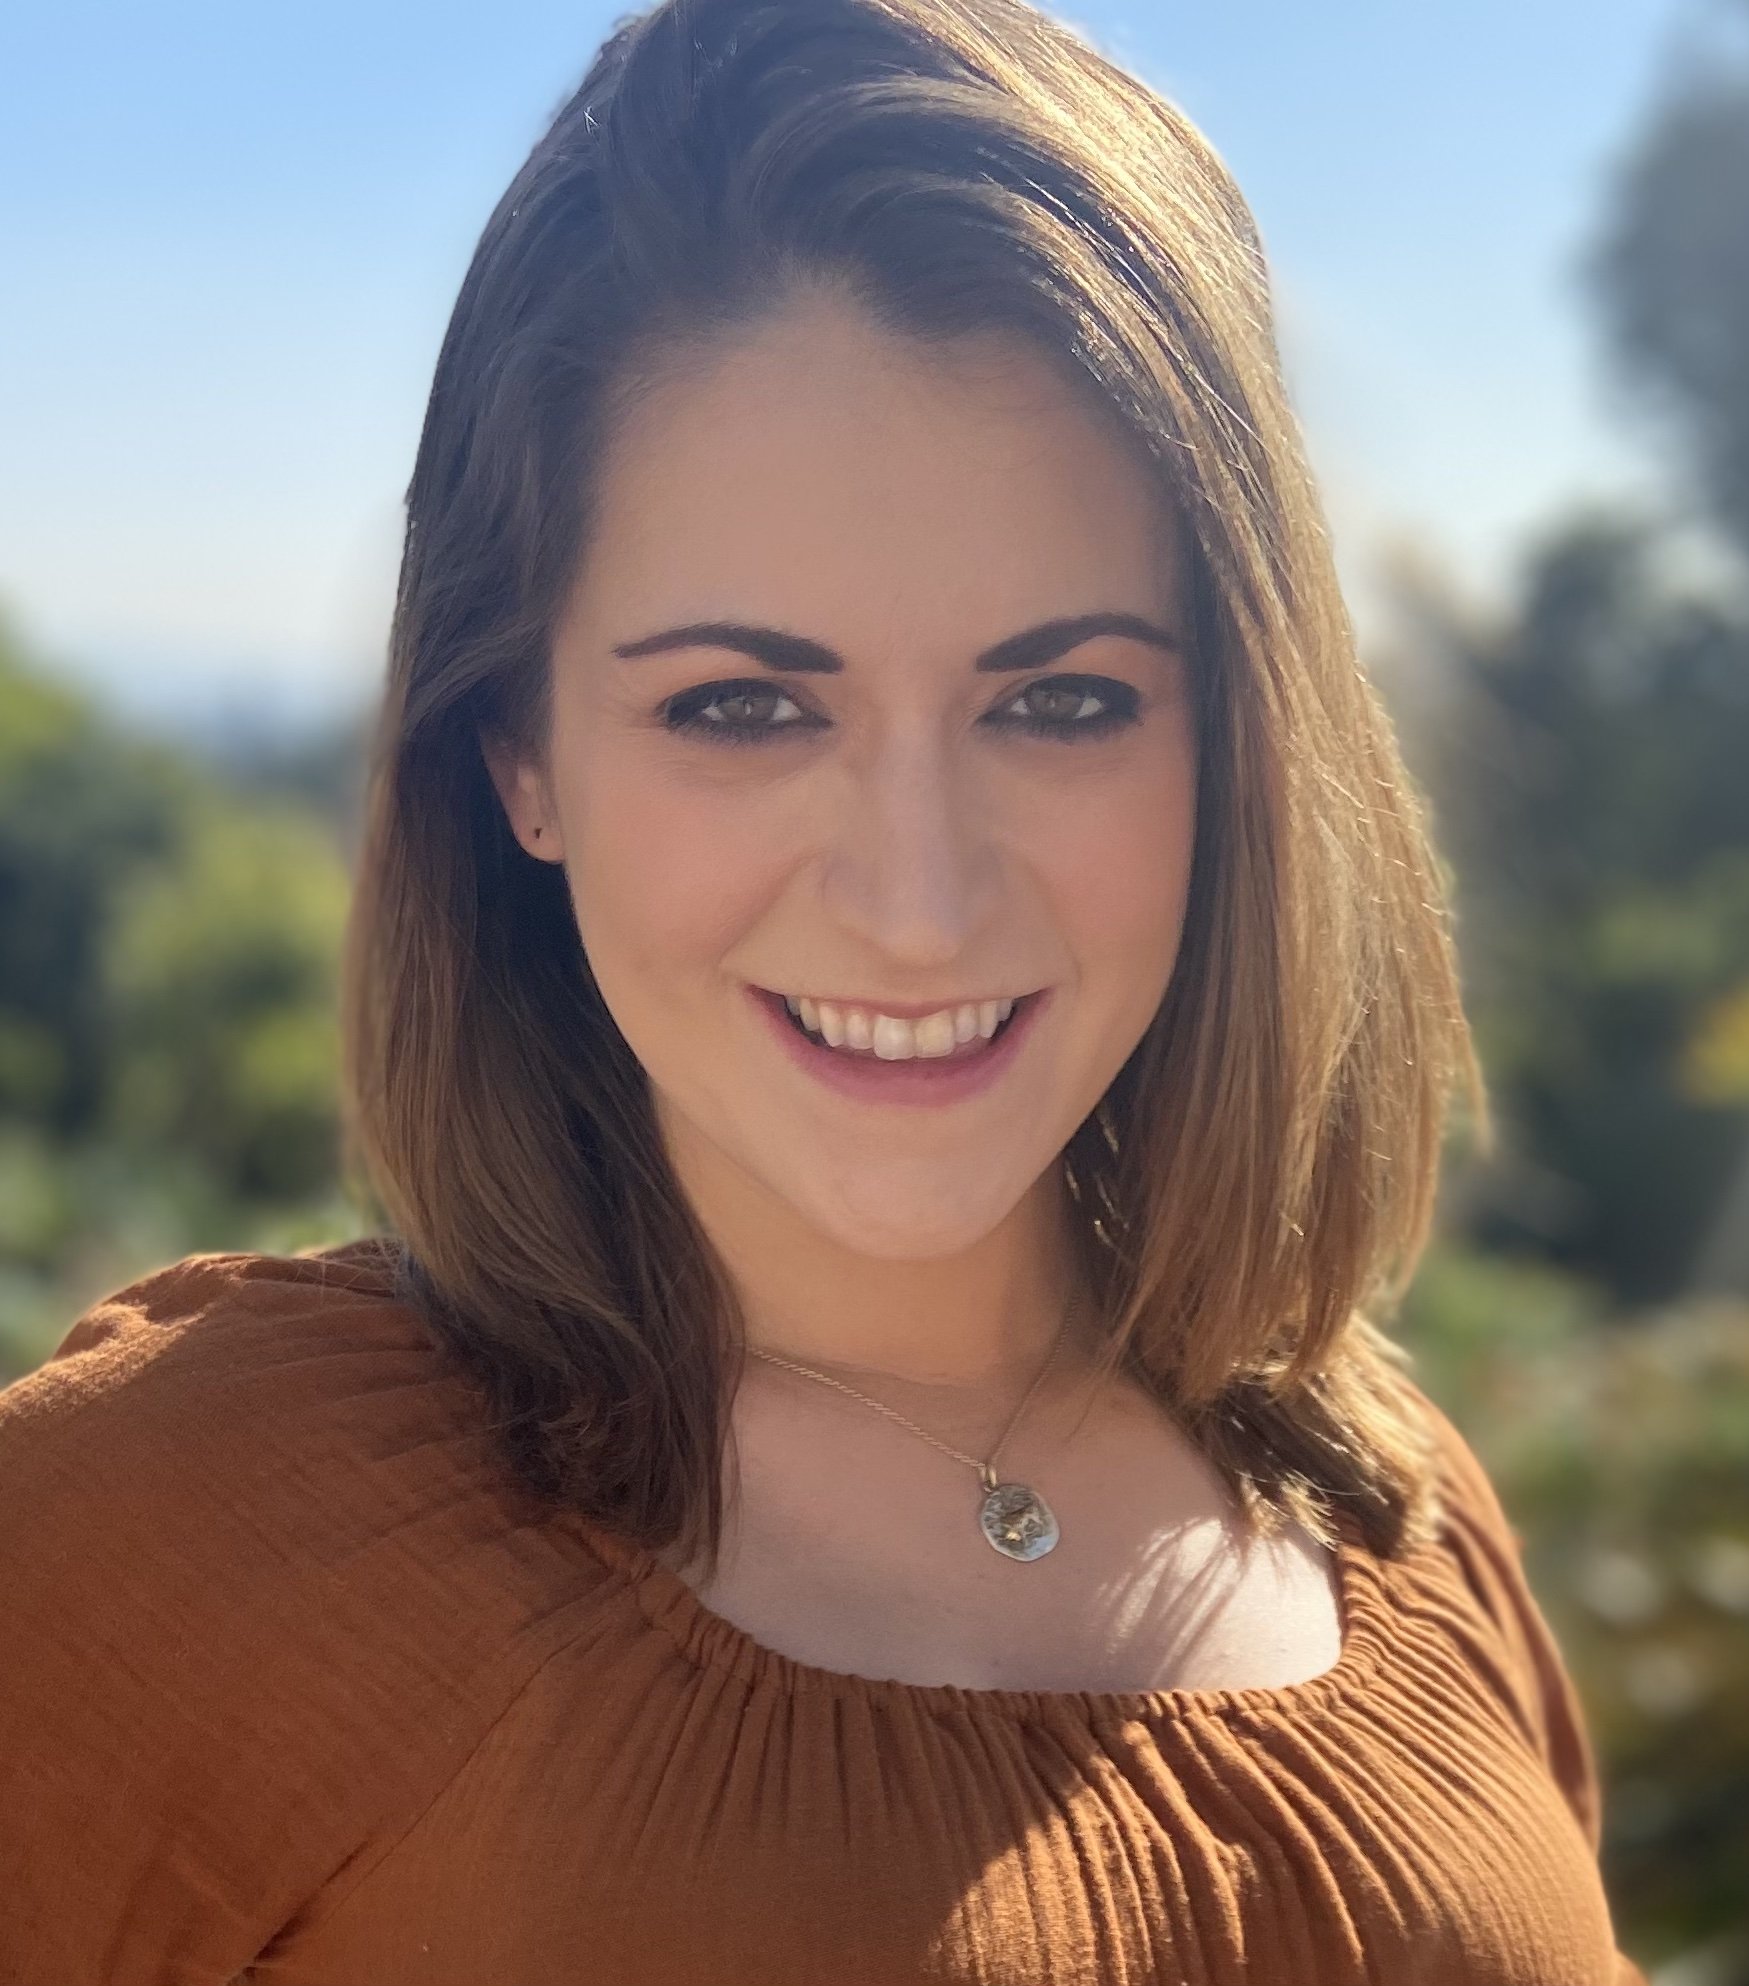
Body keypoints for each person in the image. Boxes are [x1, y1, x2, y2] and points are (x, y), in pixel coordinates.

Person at [0, 0, 1652, 1980]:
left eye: (1063, 702)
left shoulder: (1403, 1519)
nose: (919, 902)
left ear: (1239, 745)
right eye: (743, 707)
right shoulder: (185, 1536)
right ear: (512, 753)